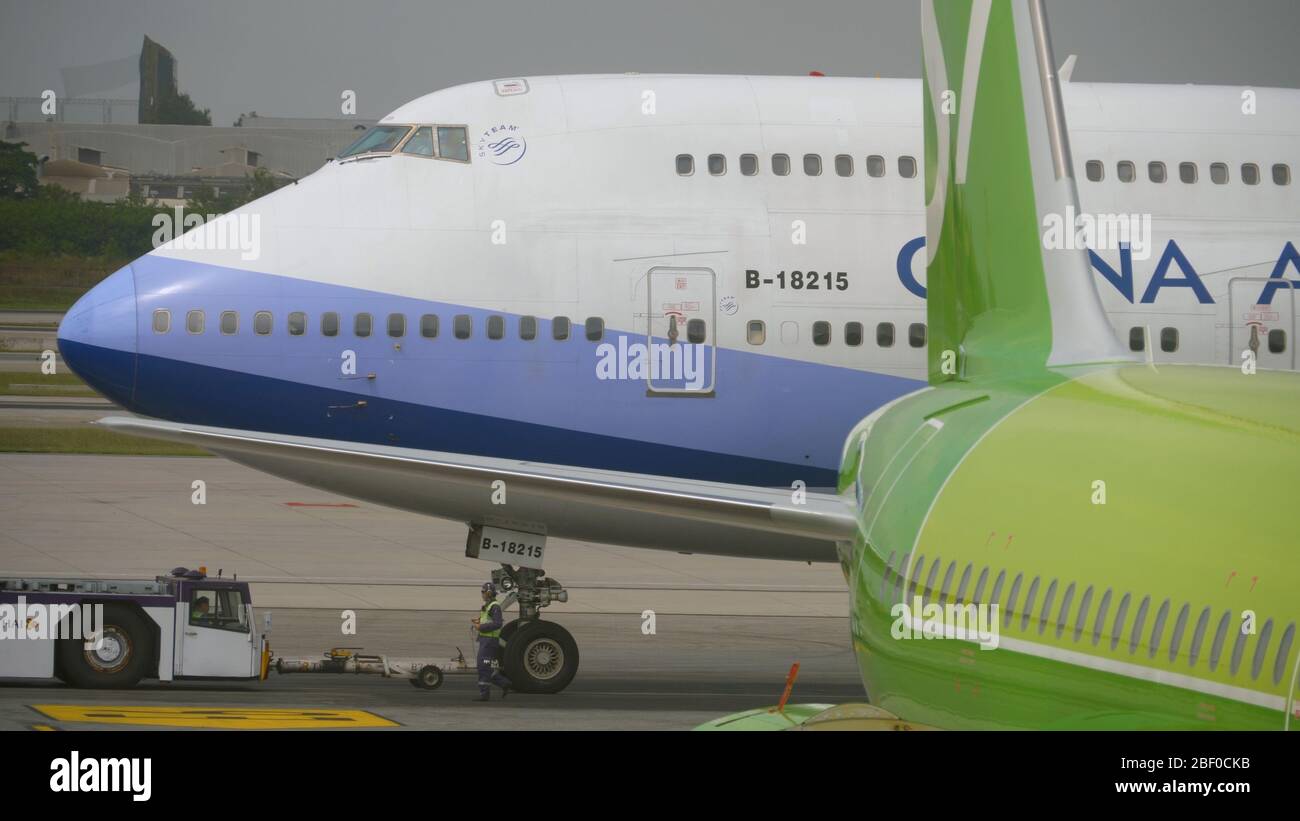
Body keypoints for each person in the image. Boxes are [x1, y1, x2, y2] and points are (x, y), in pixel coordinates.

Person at [471, 582, 512, 702]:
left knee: (483, 666)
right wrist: (479, 621)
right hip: (485, 640)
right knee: (486, 666)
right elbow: (488, 619)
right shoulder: (488, 605)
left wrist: (481, 627)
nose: (482, 594)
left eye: (483, 592)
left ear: (488, 593)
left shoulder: (494, 606)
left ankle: (484, 694)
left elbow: (497, 623)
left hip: (490, 641)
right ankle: (504, 683)